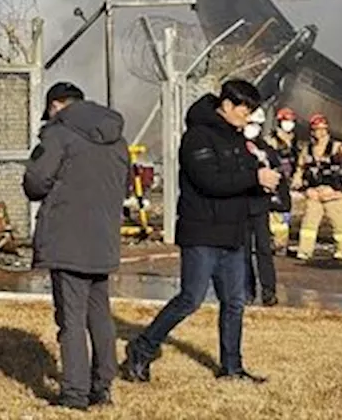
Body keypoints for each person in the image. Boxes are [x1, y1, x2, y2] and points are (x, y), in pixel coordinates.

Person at [122, 79, 279, 384]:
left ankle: (232, 368)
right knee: (190, 299)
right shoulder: (197, 137)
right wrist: (253, 176)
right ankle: (143, 348)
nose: (247, 118)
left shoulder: (237, 139)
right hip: (202, 233)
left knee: (234, 303)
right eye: (245, 111)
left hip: (233, 233)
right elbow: (211, 181)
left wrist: (265, 186)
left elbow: (243, 181)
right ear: (228, 105)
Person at [22, 81, 129, 411]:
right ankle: (103, 386)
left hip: (67, 238)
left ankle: (74, 394)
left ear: (56, 106)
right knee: (100, 314)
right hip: (105, 238)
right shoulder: (117, 137)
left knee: (71, 319)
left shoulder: (58, 134)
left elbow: (36, 182)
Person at [294, 114, 342, 261]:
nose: (319, 133)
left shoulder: (335, 146)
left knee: (338, 224)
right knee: (308, 224)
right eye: (316, 130)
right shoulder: (307, 149)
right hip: (314, 193)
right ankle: (305, 250)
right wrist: (299, 183)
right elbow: (300, 169)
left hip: (332, 193)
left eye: (322, 129)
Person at [242, 109, 279, 306]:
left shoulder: (266, 150)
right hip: (241, 204)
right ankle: (247, 290)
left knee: (264, 248)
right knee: (243, 250)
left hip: (259, 203)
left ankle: (268, 290)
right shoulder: (237, 146)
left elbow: (277, 171)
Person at [263, 107, 300, 252]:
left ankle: (281, 242)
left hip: (286, 180)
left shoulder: (294, 141)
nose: (288, 124)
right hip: (275, 179)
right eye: (285, 121)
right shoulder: (271, 140)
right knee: (275, 210)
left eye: (291, 121)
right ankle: (275, 241)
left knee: (285, 209)